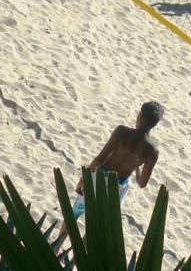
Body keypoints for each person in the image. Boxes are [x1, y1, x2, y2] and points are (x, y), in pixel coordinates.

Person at [59, 101, 163, 243]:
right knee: (96, 226)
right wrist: (137, 166)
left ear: (141, 116)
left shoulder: (122, 132)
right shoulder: (152, 151)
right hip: (117, 188)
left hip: (99, 178)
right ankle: (80, 256)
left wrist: (84, 179)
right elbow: (142, 183)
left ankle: (57, 247)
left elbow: (100, 158)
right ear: (155, 124)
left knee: (74, 214)